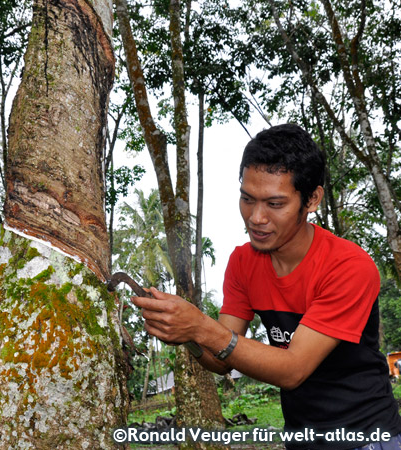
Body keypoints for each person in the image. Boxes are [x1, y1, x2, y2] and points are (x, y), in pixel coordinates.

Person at [131, 124, 401, 450]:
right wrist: (185, 331)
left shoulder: (348, 267)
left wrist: (202, 327)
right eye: (247, 199)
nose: (256, 217)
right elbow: (222, 360)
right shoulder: (244, 262)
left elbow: (293, 370)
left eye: (274, 204)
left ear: (312, 199)